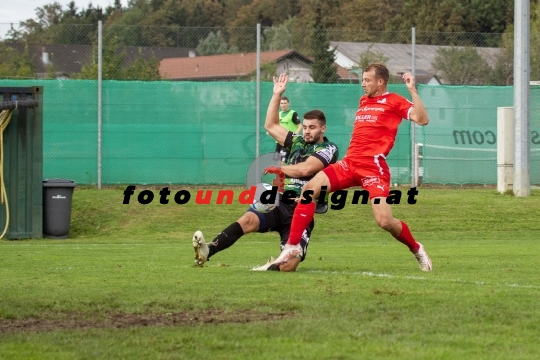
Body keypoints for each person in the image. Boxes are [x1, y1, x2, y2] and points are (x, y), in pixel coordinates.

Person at [267, 63, 433, 271]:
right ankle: (292, 246)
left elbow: (422, 119)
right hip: (349, 163)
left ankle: (416, 247)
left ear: (380, 82)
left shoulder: (394, 101)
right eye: (362, 80)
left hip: (373, 168)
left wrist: (412, 90)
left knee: (384, 221)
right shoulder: (363, 100)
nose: (363, 84)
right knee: (309, 189)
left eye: (367, 80)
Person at [192, 73, 338, 272]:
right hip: (279, 202)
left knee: (291, 264)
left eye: (312, 128)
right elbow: (270, 126)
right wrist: (277, 95)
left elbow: (306, 168)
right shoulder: (297, 141)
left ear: (323, 128)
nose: (307, 131)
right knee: (248, 220)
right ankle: (208, 250)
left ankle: (271, 267)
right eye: (304, 127)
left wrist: (281, 169)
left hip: (301, 211)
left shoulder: (329, 148)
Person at [274, 97, 302, 162]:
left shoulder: (293, 113)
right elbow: (277, 126)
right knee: (276, 161)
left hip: (288, 142)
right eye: (281, 103)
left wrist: (294, 135)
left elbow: (300, 126)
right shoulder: (279, 114)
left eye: (285, 103)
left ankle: (286, 171)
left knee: (282, 161)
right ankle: (281, 171)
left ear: (288, 103)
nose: (283, 105)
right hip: (279, 141)